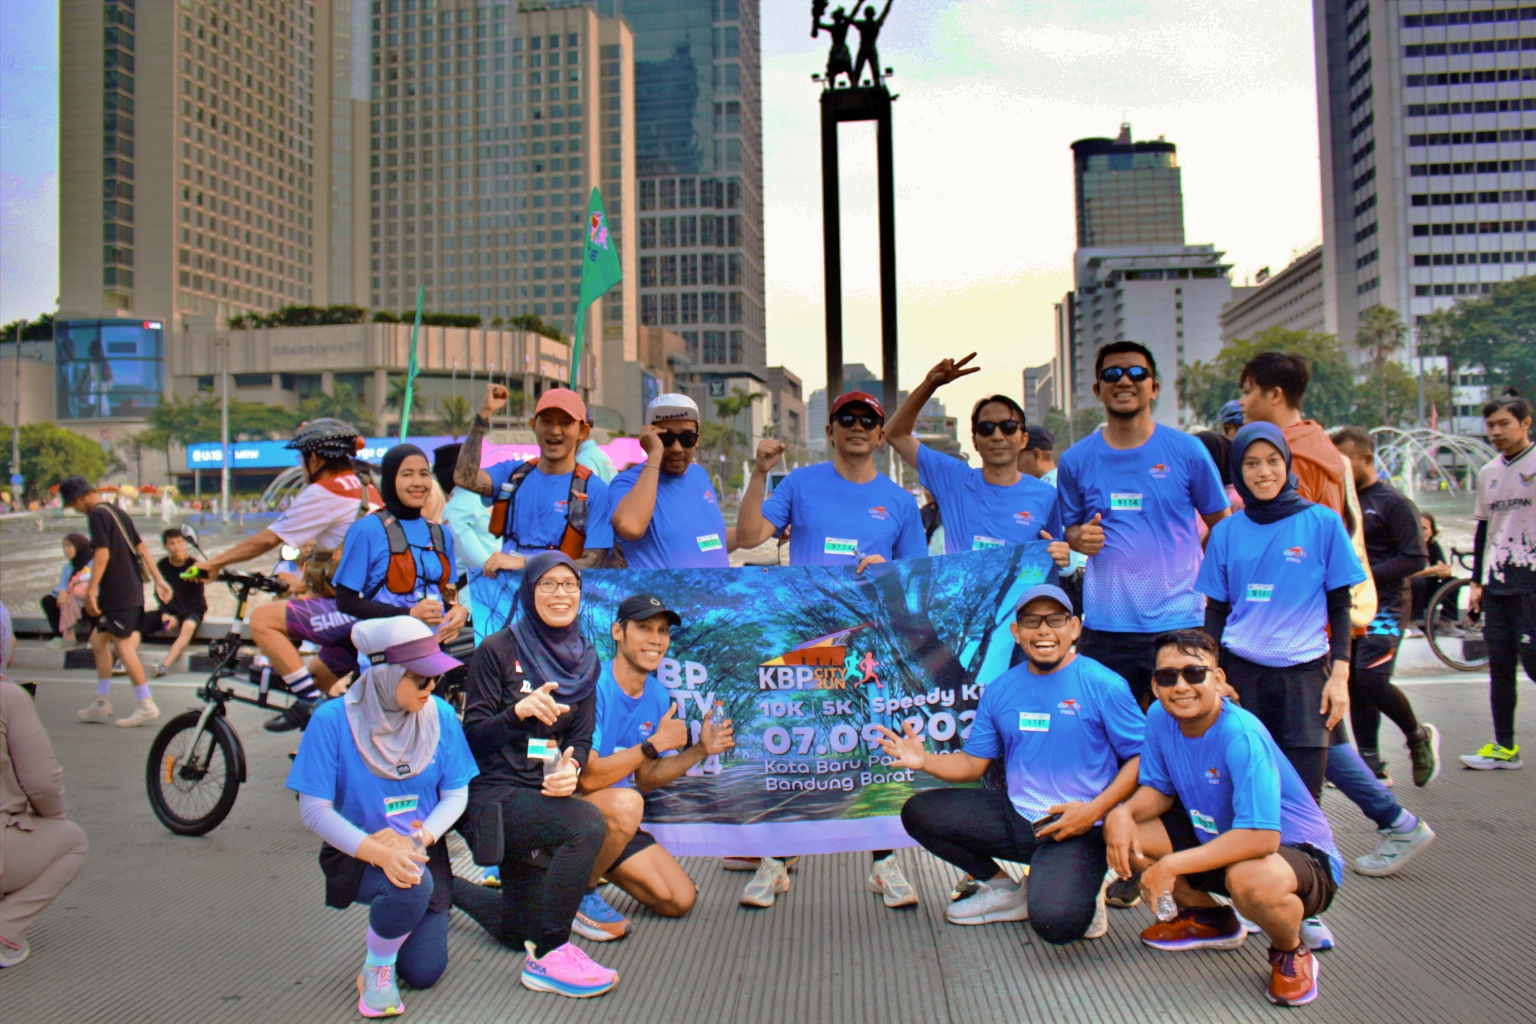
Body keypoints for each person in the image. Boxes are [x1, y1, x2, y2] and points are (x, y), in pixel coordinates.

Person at [734, 389, 925, 909]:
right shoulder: (799, 483)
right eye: (846, 418)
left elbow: (914, 579)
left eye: (868, 420)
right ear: (830, 431)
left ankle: (884, 863)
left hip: (868, 642)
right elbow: (749, 536)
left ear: (881, 435)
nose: (857, 426)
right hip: (804, 636)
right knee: (790, 740)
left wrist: (888, 572)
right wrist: (759, 473)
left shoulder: (900, 502)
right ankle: (775, 861)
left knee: (874, 742)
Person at [882, 584, 1143, 944]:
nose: (1043, 630)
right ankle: (1005, 890)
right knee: (919, 812)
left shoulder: (1105, 685)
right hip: (1017, 816)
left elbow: (1141, 758)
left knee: (1056, 924)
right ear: (1017, 632)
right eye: (1032, 621)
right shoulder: (1002, 689)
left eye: (1055, 620)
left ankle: (1081, 885)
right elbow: (973, 764)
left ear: (1074, 628)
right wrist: (924, 760)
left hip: (1078, 825)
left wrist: (1095, 811)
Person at [1104, 630, 1342, 1008]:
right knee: (1127, 835)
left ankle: (1290, 951)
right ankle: (1211, 919)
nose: (1181, 686)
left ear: (1217, 679)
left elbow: (1262, 838)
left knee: (1249, 879)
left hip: (1299, 856)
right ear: (1155, 685)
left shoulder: (1240, 734)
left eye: (1193, 673)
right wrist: (1122, 812)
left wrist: (1171, 865)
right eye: (1167, 676)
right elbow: (1159, 790)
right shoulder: (1159, 716)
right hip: (1219, 838)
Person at [286, 617, 475, 1017]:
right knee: (409, 883)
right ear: (383, 673)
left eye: (435, 676)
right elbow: (313, 810)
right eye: (420, 678)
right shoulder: (331, 720)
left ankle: (407, 914)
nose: (431, 686)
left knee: (424, 972)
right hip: (356, 850)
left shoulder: (440, 715)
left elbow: (457, 793)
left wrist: (416, 840)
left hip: (421, 847)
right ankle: (377, 967)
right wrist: (379, 852)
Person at [453, 552, 619, 998]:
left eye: (569, 584)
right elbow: (472, 738)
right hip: (493, 795)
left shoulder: (586, 658)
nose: (560, 594)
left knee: (517, 932)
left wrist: (571, 768)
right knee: (586, 823)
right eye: (548, 584)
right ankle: (551, 955)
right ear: (529, 591)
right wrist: (517, 713)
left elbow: (580, 738)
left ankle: (444, 887)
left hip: (541, 794)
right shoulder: (496, 650)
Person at [1196, 424, 1365, 802]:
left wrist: (1340, 675)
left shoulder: (1323, 522)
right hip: (1242, 677)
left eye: (1272, 461)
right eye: (1251, 463)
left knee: (1305, 800)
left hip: (1306, 678)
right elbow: (1216, 612)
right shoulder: (1226, 532)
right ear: (1238, 471)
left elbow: (1340, 605)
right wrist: (1213, 676)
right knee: (1247, 795)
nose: (1263, 472)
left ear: (1287, 464)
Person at [1056, 342, 1230, 706]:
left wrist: (1201, 576)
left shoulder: (1187, 451)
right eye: (1112, 374)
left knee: (1187, 723)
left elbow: (1223, 525)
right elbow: (1069, 529)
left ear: (1154, 387)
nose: (1124, 381)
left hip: (1180, 620)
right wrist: (1078, 537)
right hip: (1106, 626)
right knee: (1104, 727)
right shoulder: (1075, 460)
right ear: (1098, 389)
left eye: (1137, 373)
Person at [573, 594, 736, 935]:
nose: (656, 639)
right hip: (571, 813)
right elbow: (587, 780)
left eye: (663, 631)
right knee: (627, 803)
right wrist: (655, 744)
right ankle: (575, 895)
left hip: (612, 820)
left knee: (678, 899)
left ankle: (589, 864)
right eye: (644, 628)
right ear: (617, 632)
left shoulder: (659, 695)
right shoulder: (593, 686)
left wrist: (699, 750)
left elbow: (646, 778)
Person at [207, 418, 382, 732]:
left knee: (263, 619)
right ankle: (327, 743)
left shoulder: (325, 491)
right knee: (316, 678)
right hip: (376, 604)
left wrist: (214, 563)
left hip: (357, 609)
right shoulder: (366, 487)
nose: (302, 466)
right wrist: (303, 584)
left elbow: (269, 539)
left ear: (314, 459)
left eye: (303, 459)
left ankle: (309, 702)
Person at [1331, 426, 1438, 786]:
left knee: (1371, 678)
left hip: (1387, 607)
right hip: (1348, 608)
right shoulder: (1338, 503)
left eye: (1344, 461)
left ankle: (1417, 736)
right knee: (1355, 683)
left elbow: (1415, 558)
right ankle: (1372, 762)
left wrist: (1364, 576)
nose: (1338, 469)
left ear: (1367, 459)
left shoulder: (1394, 503)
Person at [884, 355, 1065, 559]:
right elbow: (895, 434)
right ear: (975, 441)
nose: (997, 436)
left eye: (1008, 427)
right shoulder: (953, 479)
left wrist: (1062, 556)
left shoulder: (1046, 495)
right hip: (962, 581)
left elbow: (1055, 554)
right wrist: (930, 384)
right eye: (986, 428)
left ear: (1024, 439)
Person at [454, 383, 614, 570]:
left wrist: (525, 563)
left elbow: (594, 564)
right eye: (546, 421)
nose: (555, 431)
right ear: (533, 425)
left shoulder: (595, 491)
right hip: (507, 586)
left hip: (559, 586)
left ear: (583, 432)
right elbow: (464, 478)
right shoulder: (513, 474)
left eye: (565, 423)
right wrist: (483, 415)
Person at [60, 475, 174, 729]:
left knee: (122, 647)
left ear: (80, 497)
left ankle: (145, 703)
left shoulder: (97, 515)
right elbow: (141, 547)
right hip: (129, 588)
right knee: (98, 640)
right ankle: (102, 701)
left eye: (73, 504)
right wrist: (159, 580)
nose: (75, 509)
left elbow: (102, 554)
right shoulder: (116, 512)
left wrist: (91, 591)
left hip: (119, 592)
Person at [1463, 389, 1536, 769]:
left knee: (1534, 663)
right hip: (1498, 583)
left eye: (1504, 423)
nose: (1496, 432)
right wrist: (1476, 581)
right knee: (1501, 666)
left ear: (1526, 423)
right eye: (1490, 425)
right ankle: (1504, 747)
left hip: (1532, 582)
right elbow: (1482, 531)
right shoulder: (1488, 472)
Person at [333, 444, 470, 646]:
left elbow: (444, 596)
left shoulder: (441, 533)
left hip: (436, 646)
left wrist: (459, 611)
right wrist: (408, 614)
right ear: (390, 479)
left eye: (424, 474)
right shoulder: (367, 530)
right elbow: (346, 601)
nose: (418, 482)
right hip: (387, 650)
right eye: (407, 474)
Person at [0, 671, 89, 969]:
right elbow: (42, 783)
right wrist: (50, 821)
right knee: (72, 842)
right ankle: (5, 931)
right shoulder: (9, 697)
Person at [608, 394, 735, 569]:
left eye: (687, 438)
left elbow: (710, 540)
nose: (676, 448)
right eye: (665, 438)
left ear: (697, 439)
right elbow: (630, 527)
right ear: (649, 438)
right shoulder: (627, 482)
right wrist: (654, 455)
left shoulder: (699, 474)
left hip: (714, 586)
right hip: (662, 587)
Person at [152, 528, 207, 678]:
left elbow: (197, 598)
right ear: (165, 546)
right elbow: (159, 594)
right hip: (171, 612)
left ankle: (164, 666)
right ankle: (121, 660)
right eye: (172, 543)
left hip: (192, 610)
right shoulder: (162, 565)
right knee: (161, 626)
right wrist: (165, 614)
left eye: (179, 542)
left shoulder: (194, 565)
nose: (176, 546)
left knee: (187, 627)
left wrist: (177, 617)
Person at [39, 534, 91, 650]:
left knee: (92, 599)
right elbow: (63, 584)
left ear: (79, 546)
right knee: (48, 600)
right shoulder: (68, 567)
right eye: (64, 546)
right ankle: (61, 635)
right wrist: (62, 591)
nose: (66, 549)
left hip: (88, 599)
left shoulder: (93, 562)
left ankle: (95, 637)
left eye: (69, 546)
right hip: (72, 600)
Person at [1408, 512, 1453, 630]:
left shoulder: (1434, 546)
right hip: (1411, 590)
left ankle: (1447, 622)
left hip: (1430, 589)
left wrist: (1445, 573)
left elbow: (1442, 567)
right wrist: (1429, 571)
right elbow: (1405, 574)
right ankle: (1412, 622)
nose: (1421, 532)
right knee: (1418, 581)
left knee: (1452, 582)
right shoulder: (1407, 547)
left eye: (1424, 528)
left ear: (1432, 531)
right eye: (1418, 528)